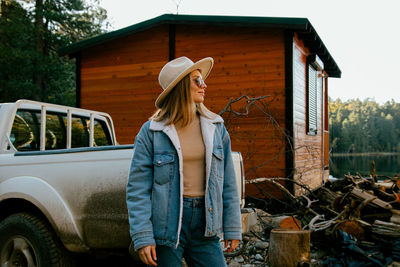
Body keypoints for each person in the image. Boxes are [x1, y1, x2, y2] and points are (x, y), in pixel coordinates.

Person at [126, 56, 242, 267]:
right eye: (196, 80)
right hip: (167, 227)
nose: (204, 85)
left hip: (205, 226)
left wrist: (232, 227)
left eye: (203, 80)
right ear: (180, 87)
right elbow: (137, 189)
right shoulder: (152, 132)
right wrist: (142, 236)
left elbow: (228, 183)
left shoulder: (216, 128)